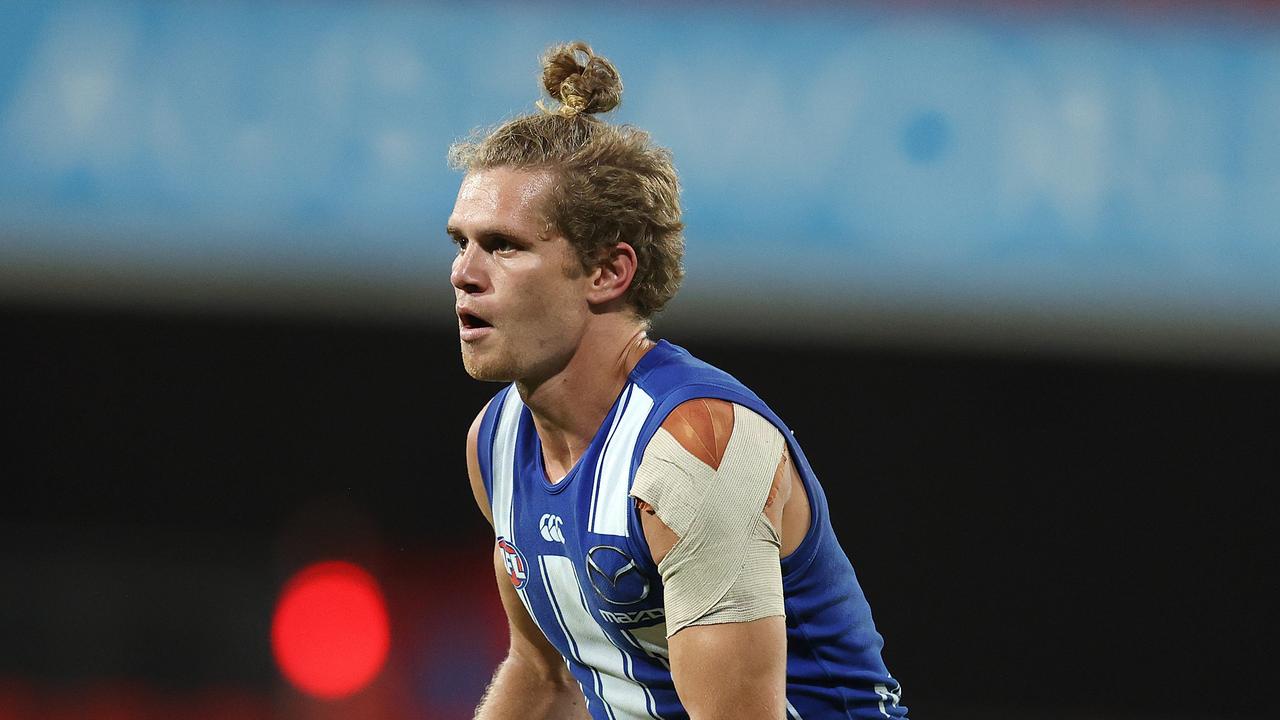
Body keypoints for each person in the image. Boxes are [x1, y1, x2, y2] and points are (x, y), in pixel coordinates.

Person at [448, 41, 907, 720]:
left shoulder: (696, 452)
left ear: (609, 272)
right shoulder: (495, 441)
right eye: (461, 243)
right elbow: (545, 676)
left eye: (505, 246)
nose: (464, 273)